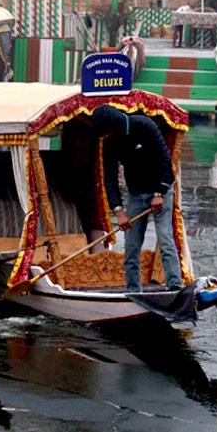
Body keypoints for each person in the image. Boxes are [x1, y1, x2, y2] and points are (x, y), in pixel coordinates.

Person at [91, 104, 183, 292]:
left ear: (113, 125)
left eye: (107, 131)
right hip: (136, 194)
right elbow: (110, 180)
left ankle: (175, 285)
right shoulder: (110, 142)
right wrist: (119, 211)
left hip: (161, 189)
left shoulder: (144, 125)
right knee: (132, 244)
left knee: (165, 237)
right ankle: (133, 290)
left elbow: (166, 163)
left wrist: (159, 194)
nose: (105, 136)